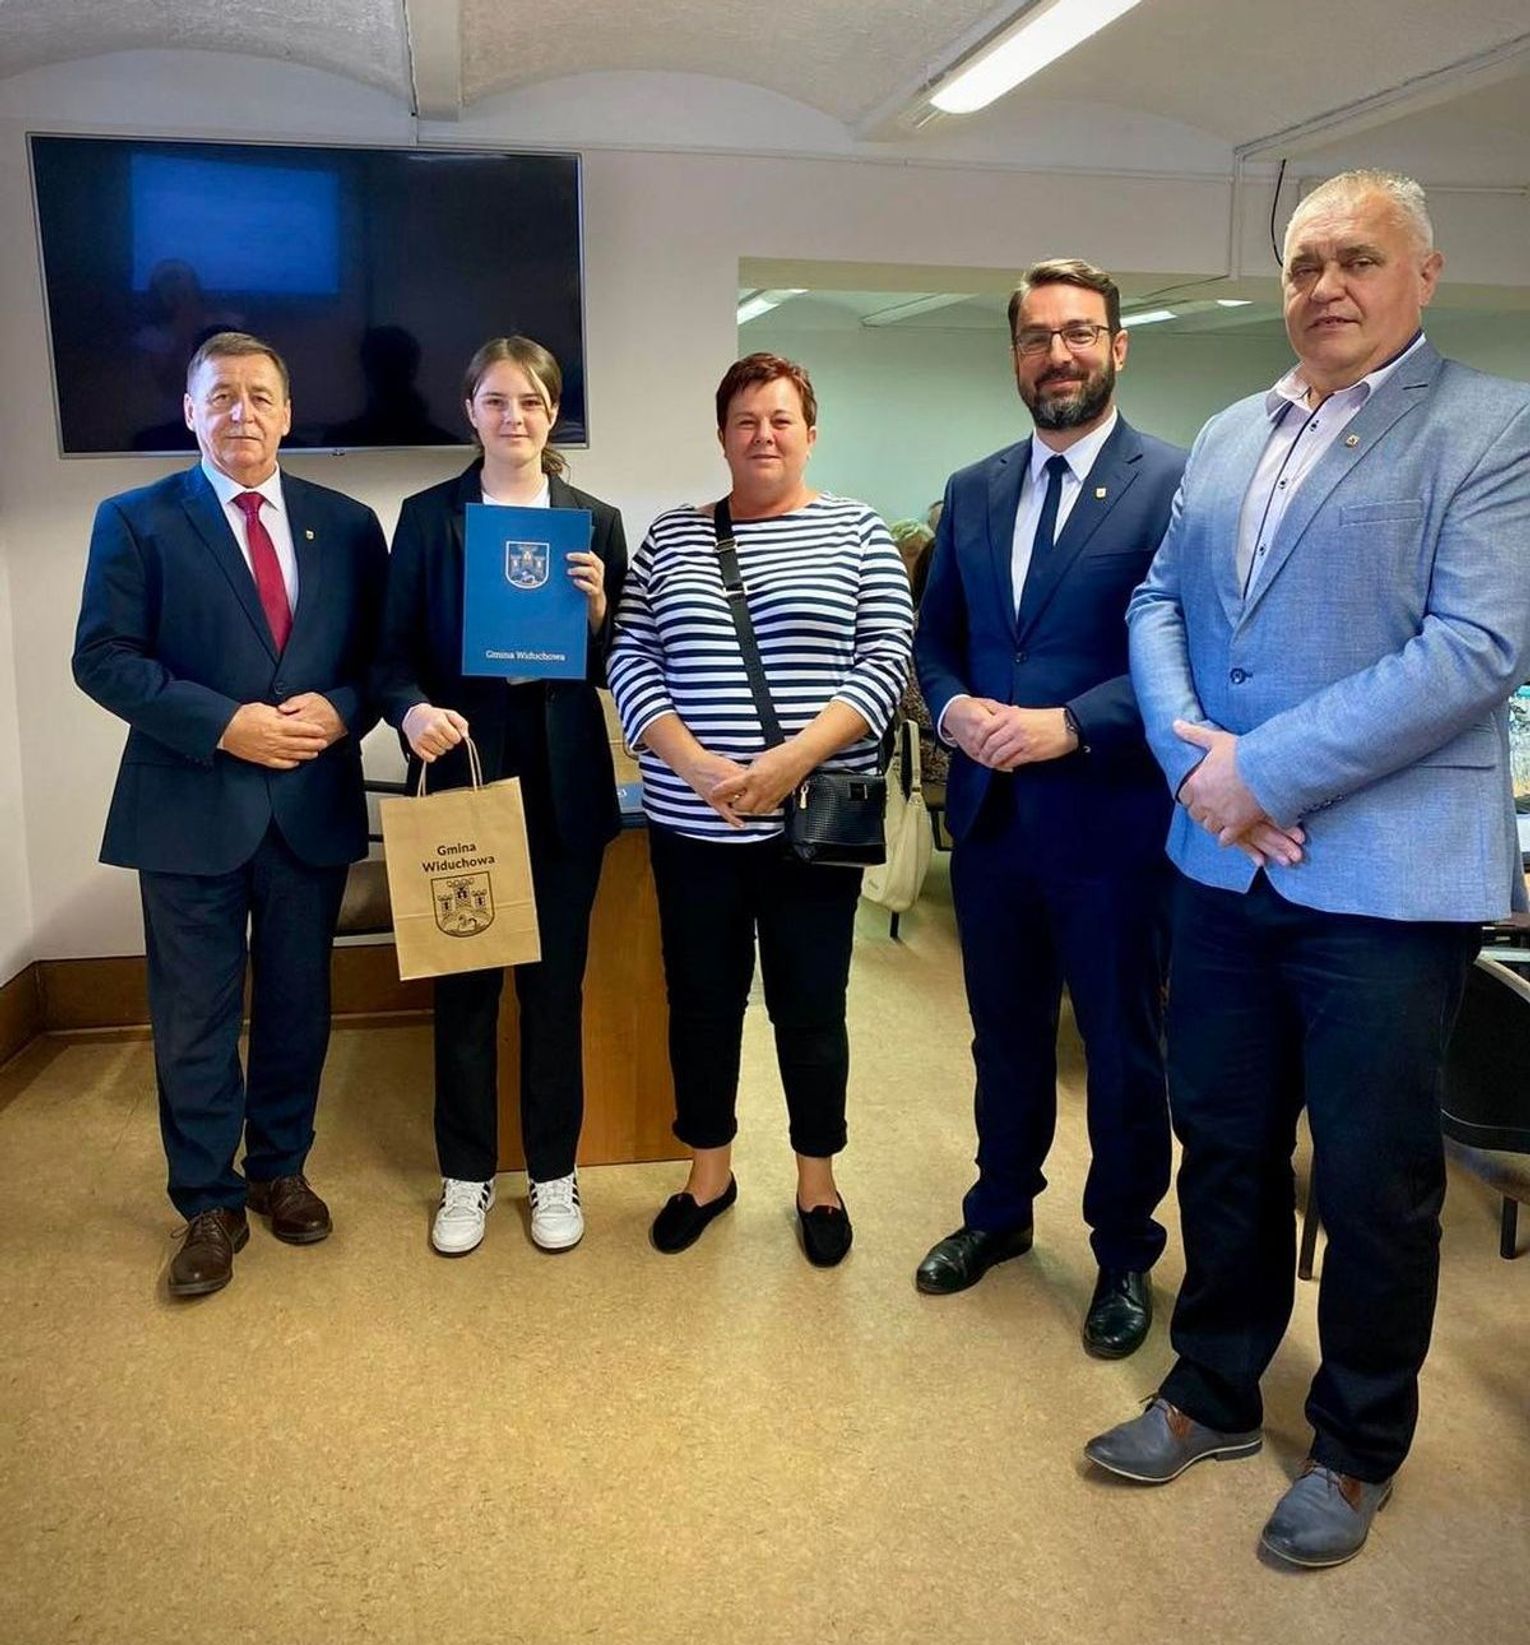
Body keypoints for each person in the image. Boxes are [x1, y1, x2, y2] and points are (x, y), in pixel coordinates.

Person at [1087, 170, 1530, 1568]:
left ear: (1423, 273)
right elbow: (1157, 599)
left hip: (1384, 881)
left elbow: (1472, 652)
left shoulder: (1492, 425)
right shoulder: (1232, 431)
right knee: (1220, 1140)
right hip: (1219, 866)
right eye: (1301, 264)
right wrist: (1192, 764)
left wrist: (1262, 772)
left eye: (1357, 258)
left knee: (1372, 1177)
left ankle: (1354, 1444)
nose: (1325, 286)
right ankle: (1216, 1386)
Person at [72, 330, 388, 1297]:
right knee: (194, 1015)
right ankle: (207, 1200)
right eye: (221, 396)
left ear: (288, 413)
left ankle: (280, 1169)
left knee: (299, 1003)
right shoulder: (135, 519)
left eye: (259, 395)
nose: (241, 412)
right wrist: (224, 725)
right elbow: (103, 657)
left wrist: (346, 707)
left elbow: (380, 660)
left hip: (308, 807)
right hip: (187, 807)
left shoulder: (348, 524)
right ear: (190, 411)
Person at [912, 260, 1186, 1358]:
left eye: (1079, 334)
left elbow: (1191, 650)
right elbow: (937, 639)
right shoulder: (974, 488)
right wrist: (951, 709)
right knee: (1005, 1036)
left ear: (1118, 347)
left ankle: (1123, 1250)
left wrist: (1071, 724)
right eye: (1037, 337)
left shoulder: (1174, 483)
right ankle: (999, 1213)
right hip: (992, 824)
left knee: (1122, 1049)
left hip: (1112, 823)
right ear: (1016, 355)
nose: (1057, 355)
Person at [607, 353, 913, 1266]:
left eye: (781, 419)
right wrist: (697, 765)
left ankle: (817, 1182)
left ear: (810, 433)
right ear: (722, 436)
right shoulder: (671, 538)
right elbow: (631, 657)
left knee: (811, 1008)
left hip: (812, 827)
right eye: (745, 420)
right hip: (692, 827)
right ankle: (709, 1173)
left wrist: (790, 761)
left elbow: (886, 660)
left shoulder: (858, 533)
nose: (763, 435)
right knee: (701, 1005)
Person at [372, 336, 626, 1258]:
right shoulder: (429, 517)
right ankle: (466, 1175)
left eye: (530, 402)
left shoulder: (596, 521)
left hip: (563, 781)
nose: (513, 417)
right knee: (467, 988)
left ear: (553, 414)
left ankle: (554, 1172)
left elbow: (616, 664)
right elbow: (390, 657)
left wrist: (598, 615)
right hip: (465, 770)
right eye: (495, 400)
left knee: (555, 991)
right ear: (470, 411)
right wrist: (410, 712)